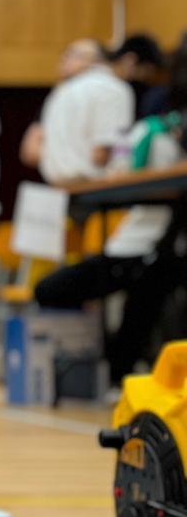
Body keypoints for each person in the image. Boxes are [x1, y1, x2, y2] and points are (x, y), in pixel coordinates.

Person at [34, 53, 187, 385]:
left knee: (153, 282)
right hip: (132, 243)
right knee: (52, 288)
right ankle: (102, 367)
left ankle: (118, 369)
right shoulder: (151, 129)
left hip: (158, 247)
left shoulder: (118, 101)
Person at [19, 38, 134, 183]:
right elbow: (102, 153)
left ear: (98, 60)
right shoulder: (113, 89)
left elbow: (32, 152)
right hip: (96, 186)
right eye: (65, 55)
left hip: (63, 186)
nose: (65, 60)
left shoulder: (59, 93)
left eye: (74, 54)